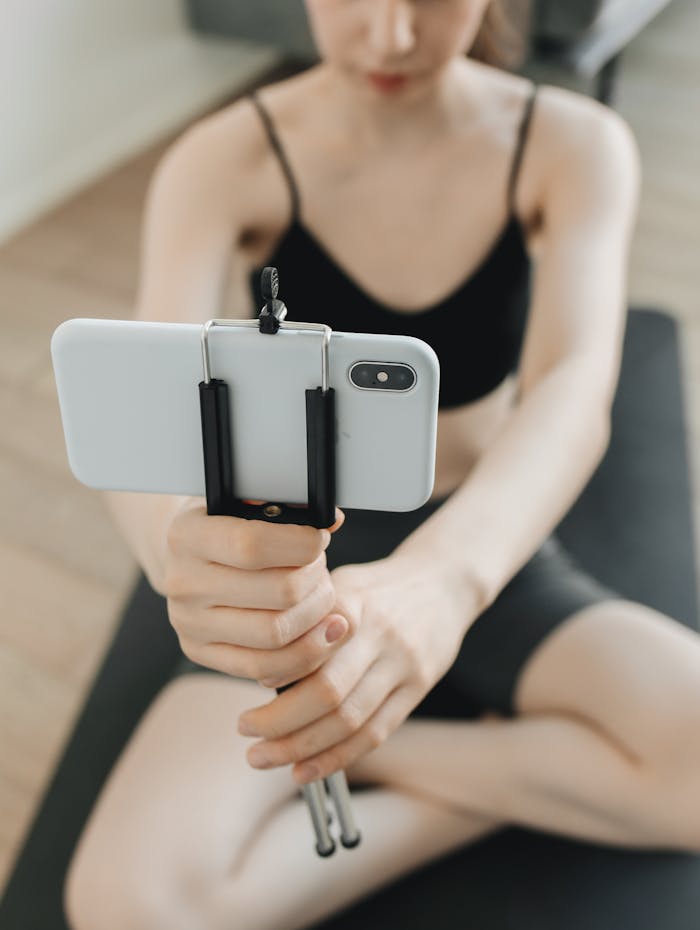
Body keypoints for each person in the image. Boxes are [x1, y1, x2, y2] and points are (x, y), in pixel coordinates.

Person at [64, 2, 700, 929]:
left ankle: (370, 743)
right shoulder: (223, 160)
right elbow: (150, 415)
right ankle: (496, 770)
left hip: (479, 540)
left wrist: (444, 582)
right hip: (296, 571)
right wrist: (181, 558)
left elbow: (572, 389)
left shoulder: (572, 143)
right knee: (127, 906)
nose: (391, 35)